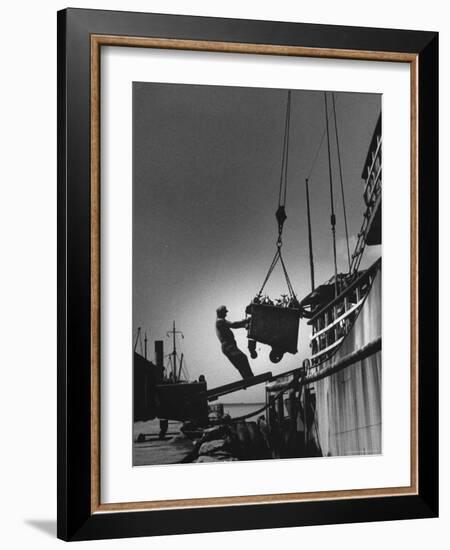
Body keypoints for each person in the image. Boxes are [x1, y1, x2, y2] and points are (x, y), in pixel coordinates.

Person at [215, 305, 254, 380]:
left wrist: (244, 325)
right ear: (221, 313)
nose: (226, 314)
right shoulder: (220, 321)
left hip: (228, 346)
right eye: (225, 312)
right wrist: (245, 321)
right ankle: (249, 377)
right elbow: (233, 325)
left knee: (239, 363)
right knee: (243, 358)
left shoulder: (220, 320)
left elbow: (233, 325)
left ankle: (247, 378)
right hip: (228, 346)